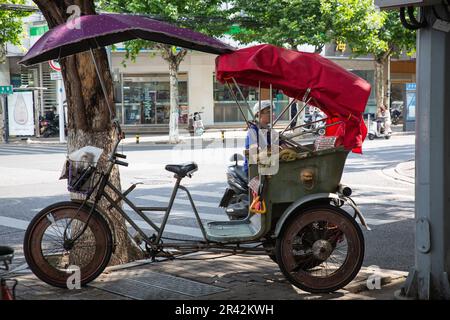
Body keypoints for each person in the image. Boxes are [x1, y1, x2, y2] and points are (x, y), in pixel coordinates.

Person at [244, 100, 274, 175]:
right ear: (259, 114)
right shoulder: (253, 130)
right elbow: (253, 150)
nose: (272, 114)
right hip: (254, 168)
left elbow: (279, 142)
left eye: (272, 112)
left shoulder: (269, 130)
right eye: (268, 112)